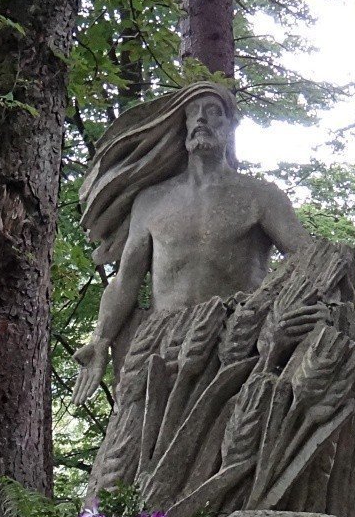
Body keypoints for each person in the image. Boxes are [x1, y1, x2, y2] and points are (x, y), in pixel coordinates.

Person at [72, 82, 317, 405]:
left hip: (236, 343)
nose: (201, 119)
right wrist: (100, 339)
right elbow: (125, 282)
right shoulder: (152, 201)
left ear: (230, 127)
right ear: (184, 124)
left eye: (213, 112)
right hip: (161, 345)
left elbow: (309, 259)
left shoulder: (260, 197)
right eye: (193, 113)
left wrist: (289, 314)